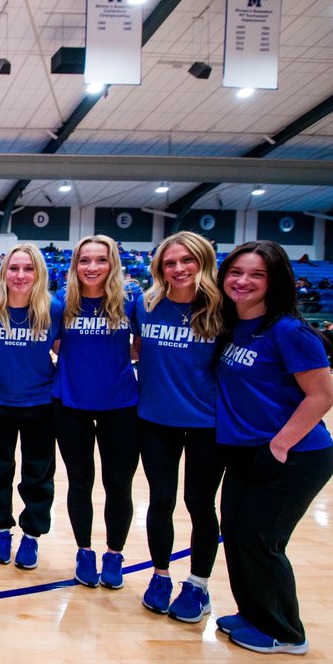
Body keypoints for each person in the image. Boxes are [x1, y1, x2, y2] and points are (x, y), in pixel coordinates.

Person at [214, 241, 333, 654]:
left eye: (256, 275)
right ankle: (252, 614)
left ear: (275, 281)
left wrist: (280, 446)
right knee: (236, 533)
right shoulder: (234, 326)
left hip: (295, 455)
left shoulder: (289, 331)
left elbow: (322, 396)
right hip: (247, 452)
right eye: (236, 272)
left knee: (262, 539)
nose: (243, 281)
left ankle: (285, 632)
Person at [134, 232, 224, 622]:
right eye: (170, 263)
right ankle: (160, 575)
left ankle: (198, 585)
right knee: (161, 500)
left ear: (202, 261)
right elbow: (137, 350)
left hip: (208, 423)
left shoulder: (222, 310)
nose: (179, 268)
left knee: (200, 504)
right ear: (159, 268)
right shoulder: (146, 304)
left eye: (187, 260)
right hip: (155, 419)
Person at [54, 234, 138, 590]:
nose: (92, 267)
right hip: (70, 404)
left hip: (120, 406)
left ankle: (114, 554)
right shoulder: (62, 301)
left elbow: (139, 348)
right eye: (84, 260)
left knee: (118, 485)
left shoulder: (131, 302)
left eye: (100, 260)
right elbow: (54, 341)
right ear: (75, 265)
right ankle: (85, 551)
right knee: (80, 482)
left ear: (112, 263)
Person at [0, 244, 62, 570]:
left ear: (38, 273)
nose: (21, 275)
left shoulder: (52, 309)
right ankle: (1, 528)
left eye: (28, 268)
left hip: (40, 402)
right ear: (4, 273)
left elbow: (61, 347)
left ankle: (31, 535)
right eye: (14, 268)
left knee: (37, 473)